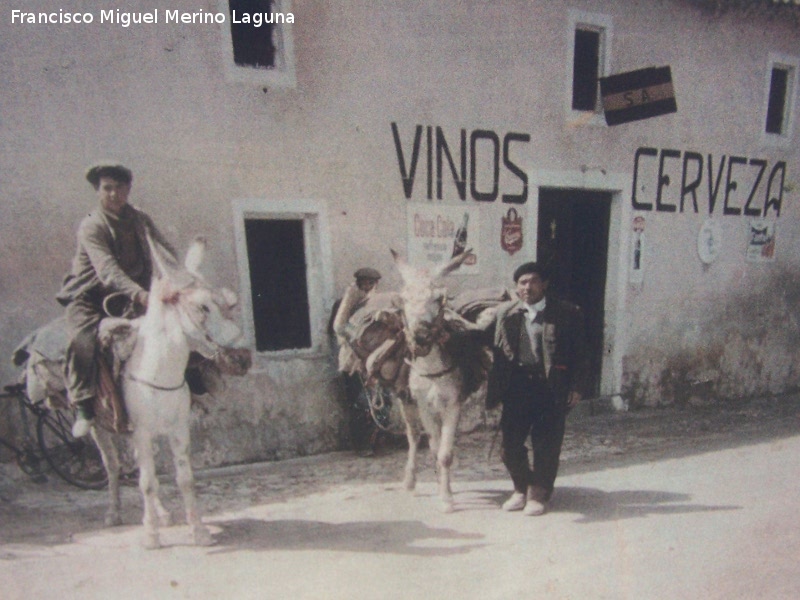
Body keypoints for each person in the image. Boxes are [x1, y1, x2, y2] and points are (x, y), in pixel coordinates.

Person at [57, 163, 176, 438]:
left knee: (170, 328)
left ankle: (185, 386)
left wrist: (178, 278)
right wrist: (143, 295)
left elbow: (164, 249)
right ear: (98, 192)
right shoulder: (91, 225)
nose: (113, 194)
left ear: (128, 189)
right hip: (90, 296)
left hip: (128, 296)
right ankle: (84, 405)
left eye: (119, 188)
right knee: (80, 342)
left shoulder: (139, 219)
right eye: (107, 188)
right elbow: (108, 271)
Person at [484, 261, 591, 516]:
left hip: (551, 387)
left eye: (533, 281)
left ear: (544, 284)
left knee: (546, 444)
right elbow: (482, 338)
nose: (527, 287)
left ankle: (538, 495)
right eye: (522, 282)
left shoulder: (567, 313)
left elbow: (583, 355)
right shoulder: (505, 314)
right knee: (509, 446)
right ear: (516, 287)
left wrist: (577, 386)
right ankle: (521, 488)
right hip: (517, 387)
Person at [329, 267, 383, 455]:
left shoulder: (375, 303)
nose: (367, 287)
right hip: (351, 360)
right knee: (359, 403)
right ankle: (361, 445)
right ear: (358, 283)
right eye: (364, 283)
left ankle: (374, 442)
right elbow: (337, 331)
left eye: (371, 283)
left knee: (376, 401)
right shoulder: (344, 304)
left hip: (371, 359)